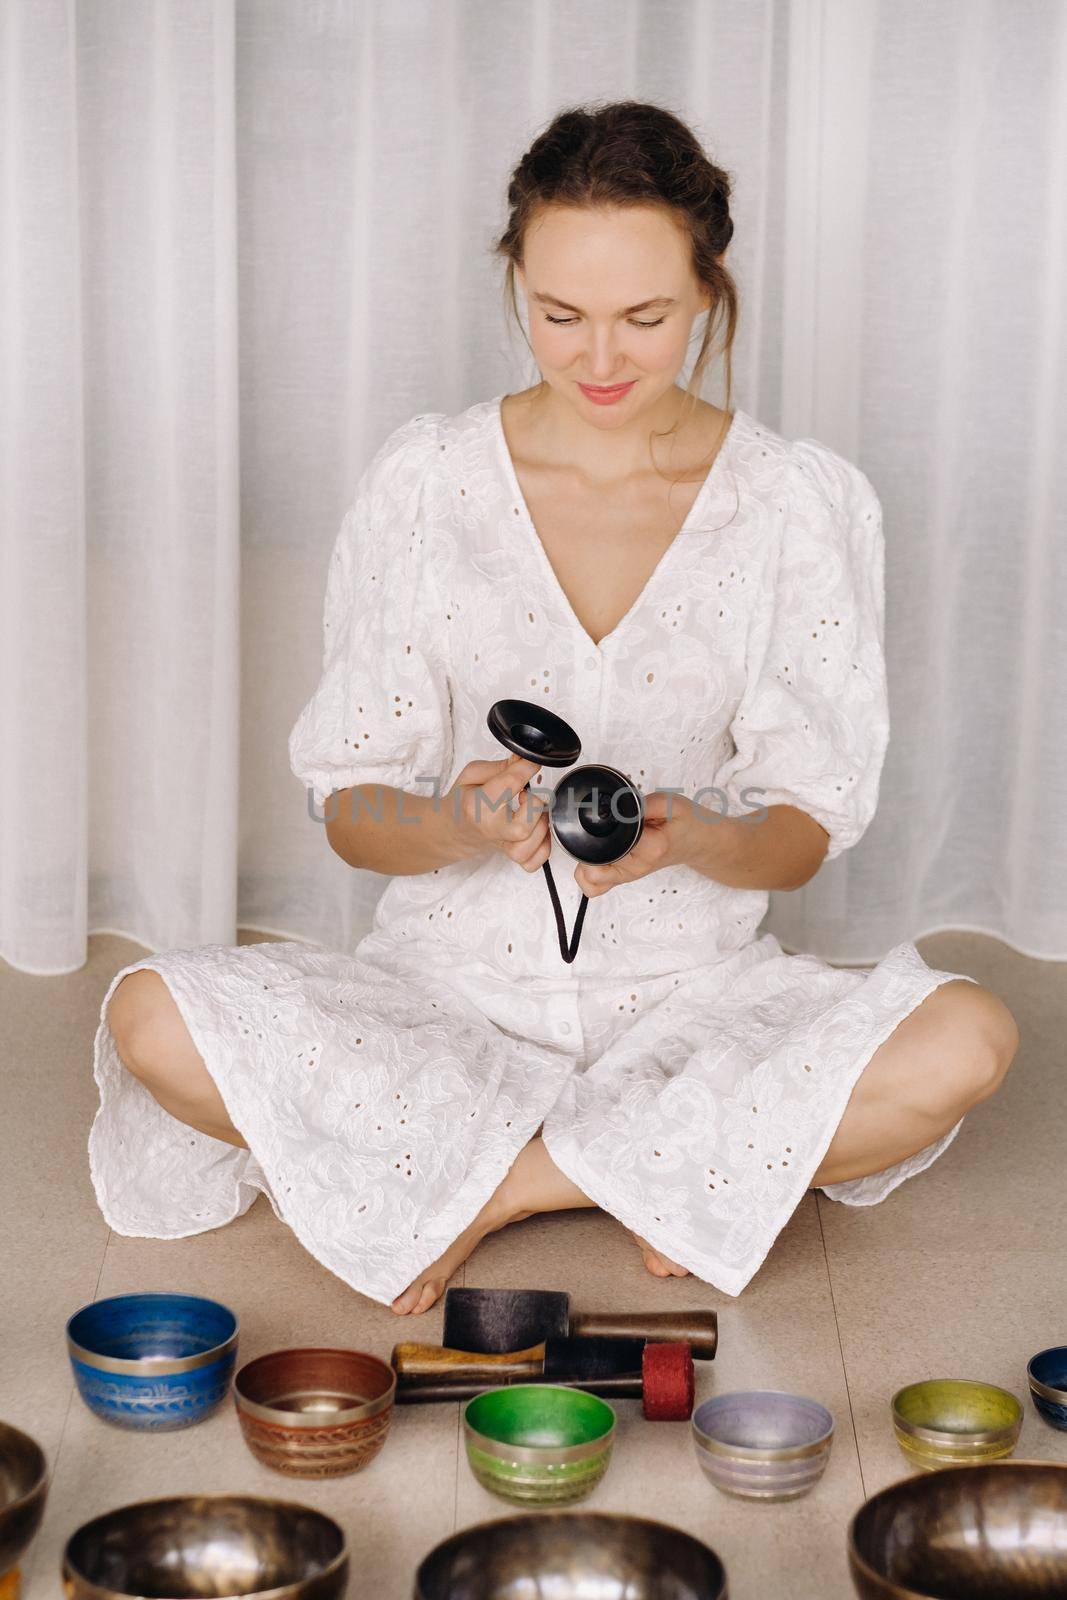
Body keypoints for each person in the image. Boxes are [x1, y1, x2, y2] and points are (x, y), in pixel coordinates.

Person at [88, 100, 1019, 1318]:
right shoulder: (427, 482)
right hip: (441, 1003)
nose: (597, 359)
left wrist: (701, 837)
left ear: (707, 292)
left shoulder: (792, 507)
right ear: (513, 283)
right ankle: (652, 1173)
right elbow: (351, 809)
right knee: (154, 1019)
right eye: (557, 315)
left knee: (967, 1041)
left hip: (692, 1010)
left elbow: (802, 823)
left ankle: (505, 1185)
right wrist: (458, 823)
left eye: (644, 318)